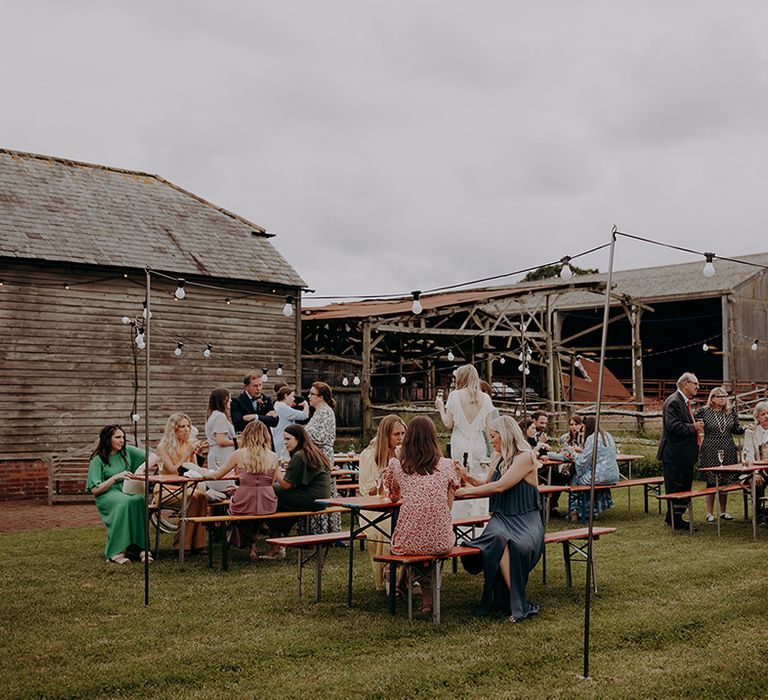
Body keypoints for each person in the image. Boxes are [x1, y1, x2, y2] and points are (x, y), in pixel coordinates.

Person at [455, 415, 544, 623]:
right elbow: (485, 485)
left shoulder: (525, 457)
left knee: (517, 545)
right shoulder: (497, 457)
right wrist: (466, 477)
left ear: (505, 435)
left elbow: (500, 486)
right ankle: (517, 602)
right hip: (502, 517)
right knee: (498, 538)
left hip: (525, 518)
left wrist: (463, 494)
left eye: (493, 436)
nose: (491, 441)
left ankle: (516, 603)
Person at [385, 416, 460, 614]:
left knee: (409, 543)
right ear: (434, 438)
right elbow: (449, 503)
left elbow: (393, 497)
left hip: (409, 541)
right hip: (442, 540)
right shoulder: (447, 465)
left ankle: (404, 587)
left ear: (408, 438)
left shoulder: (397, 465)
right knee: (428, 541)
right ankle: (424, 598)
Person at [204, 420, 279, 560]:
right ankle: (253, 547)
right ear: (266, 436)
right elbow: (271, 481)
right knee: (255, 510)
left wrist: (201, 473)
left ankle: (250, 545)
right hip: (267, 503)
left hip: (244, 502)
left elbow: (217, 475)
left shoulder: (239, 454)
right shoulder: (273, 456)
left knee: (238, 511)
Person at [261, 424, 332, 559]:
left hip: (312, 499)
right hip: (321, 498)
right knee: (275, 503)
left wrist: (274, 469)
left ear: (298, 438)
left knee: (269, 495)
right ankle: (279, 544)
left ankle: (276, 545)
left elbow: (287, 485)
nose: (285, 442)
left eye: (288, 439)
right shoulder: (312, 452)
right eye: (284, 439)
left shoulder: (299, 456)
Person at [435, 364, 494, 522]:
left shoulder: (455, 395)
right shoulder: (486, 398)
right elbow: (489, 431)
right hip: (478, 443)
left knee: (459, 477)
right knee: (478, 477)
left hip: (460, 441)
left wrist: (440, 407)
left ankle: (460, 521)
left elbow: (448, 423)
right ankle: (478, 518)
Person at [86, 425, 150, 564]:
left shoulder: (127, 452)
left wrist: (140, 469)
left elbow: (153, 457)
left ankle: (140, 548)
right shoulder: (97, 460)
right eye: (118, 437)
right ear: (107, 439)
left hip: (126, 490)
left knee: (140, 499)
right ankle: (116, 552)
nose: (122, 440)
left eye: (123, 437)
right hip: (107, 494)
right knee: (125, 502)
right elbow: (95, 490)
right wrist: (115, 477)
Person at [357, 415, 406, 591]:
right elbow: (367, 490)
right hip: (374, 508)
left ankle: (408, 573)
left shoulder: (403, 453)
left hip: (399, 503)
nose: (400, 438)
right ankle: (388, 571)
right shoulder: (370, 455)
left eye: (402, 433)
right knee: (388, 523)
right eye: (396, 434)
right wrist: (384, 479)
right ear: (386, 435)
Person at [153, 412, 209, 554]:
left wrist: (197, 454)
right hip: (166, 489)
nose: (187, 429)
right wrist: (186, 454)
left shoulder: (188, 445)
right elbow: (172, 470)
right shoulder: (162, 447)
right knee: (193, 498)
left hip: (187, 487)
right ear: (174, 429)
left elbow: (194, 470)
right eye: (182, 426)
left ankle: (197, 544)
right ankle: (182, 545)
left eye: (188, 426)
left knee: (200, 496)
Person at [657, 372, 704, 529]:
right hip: (674, 454)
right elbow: (673, 426)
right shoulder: (674, 402)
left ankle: (674, 518)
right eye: (695, 384)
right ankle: (675, 520)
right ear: (685, 384)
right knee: (676, 488)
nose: (698, 387)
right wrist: (693, 427)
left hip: (684, 455)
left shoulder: (683, 402)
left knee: (684, 488)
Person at [695, 387, 743, 522]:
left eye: (725, 396)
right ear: (713, 398)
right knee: (712, 481)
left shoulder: (731, 411)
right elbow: (697, 426)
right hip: (710, 447)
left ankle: (723, 511)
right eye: (720, 396)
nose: (723, 398)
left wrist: (746, 429)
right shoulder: (703, 411)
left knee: (725, 480)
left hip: (727, 446)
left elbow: (736, 429)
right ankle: (709, 513)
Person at [567, 417, 620, 522]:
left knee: (575, 479)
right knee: (587, 478)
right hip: (613, 475)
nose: (582, 431)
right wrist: (582, 451)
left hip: (600, 476)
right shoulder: (607, 435)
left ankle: (576, 511)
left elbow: (583, 461)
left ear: (587, 427)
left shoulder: (592, 438)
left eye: (583, 428)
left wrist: (573, 454)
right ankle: (593, 509)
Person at [305, 381, 341, 534]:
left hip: (322, 456)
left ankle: (326, 530)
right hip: (315, 455)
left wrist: (302, 433)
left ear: (321, 397)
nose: (309, 396)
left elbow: (321, 437)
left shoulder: (326, 412)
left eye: (312, 394)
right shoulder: (317, 412)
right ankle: (317, 529)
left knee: (324, 490)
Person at [204, 387, 237, 502]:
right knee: (224, 487)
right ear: (223, 400)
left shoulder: (213, 415)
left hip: (217, 454)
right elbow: (220, 440)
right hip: (222, 456)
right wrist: (237, 442)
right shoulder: (220, 416)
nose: (231, 401)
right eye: (229, 398)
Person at [742, 401, 768, 525]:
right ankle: (759, 515)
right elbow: (749, 454)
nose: (767, 416)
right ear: (757, 417)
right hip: (755, 470)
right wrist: (755, 472)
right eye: (763, 414)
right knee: (757, 481)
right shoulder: (751, 432)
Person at [230, 371, 279, 436]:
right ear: (246, 386)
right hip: (247, 440)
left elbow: (274, 421)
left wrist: (255, 417)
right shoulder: (237, 401)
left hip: (265, 441)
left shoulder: (266, 399)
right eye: (255, 386)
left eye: (260, 385)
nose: (258, 388)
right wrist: (265, 417)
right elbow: (238, 423)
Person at [273, 385, 309, 458]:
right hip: (283, 441)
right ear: (286, 396)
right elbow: (304, 416)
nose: (293, 399)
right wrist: (306, 405)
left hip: (280, 439)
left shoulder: (278, 405)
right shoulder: (282, 407)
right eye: (292, 396)